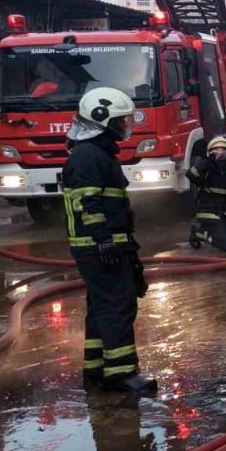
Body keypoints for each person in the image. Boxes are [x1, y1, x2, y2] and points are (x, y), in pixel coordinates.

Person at [61, 87, 156, 395]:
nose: (125, 126)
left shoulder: (94, 153)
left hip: (105, 245)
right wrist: (104, 242)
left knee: (102, 307)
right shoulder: (89, 157)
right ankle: (121, 374)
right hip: (99, 247)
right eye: (121, 121)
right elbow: (88, 204)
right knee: (117, 307)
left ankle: (97, 369)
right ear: (102, 120)